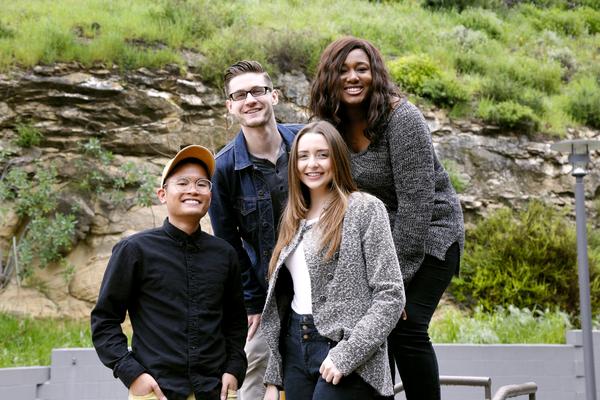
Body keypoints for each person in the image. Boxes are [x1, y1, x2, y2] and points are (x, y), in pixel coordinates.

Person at [309, 36, 465, 400]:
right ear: (329, 77)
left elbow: (416, 205)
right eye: (343, 70)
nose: (353, 77)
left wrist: (391, 285)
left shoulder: (402, 118)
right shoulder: (329, 127)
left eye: (361, 69)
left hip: (430, 237)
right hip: (379, 241)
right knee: (373, 330)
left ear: (375, 74)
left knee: (404, 327)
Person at [261, 120, 405, 400]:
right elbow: (283, 304)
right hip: (295, 346)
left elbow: (390, 295)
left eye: (322, 154)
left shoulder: (365, 209)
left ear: (337, 158)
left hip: (346, 346)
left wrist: (347, 354)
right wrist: (274, 377)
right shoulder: (292, 218)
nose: (311, 164)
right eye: (303, 156)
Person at [91, 145, 248, 400]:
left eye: (202, 183)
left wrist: (234, 369)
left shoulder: (225, 254)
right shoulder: (134, 250)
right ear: (162, 194)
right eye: (183, 182)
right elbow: (104, 320)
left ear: (210, 194)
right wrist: (132, 373)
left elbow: (235, 322)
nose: (193, 190)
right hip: (156, 391)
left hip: (215, 389)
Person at [208, 60, 303, 400]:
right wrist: (250, 302)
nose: (250, 99)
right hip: (268, 292)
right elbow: (228, 243)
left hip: (321, 284)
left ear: (273, 96)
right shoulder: (224, 169)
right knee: (255, 379)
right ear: (230, 107)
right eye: (240, 95)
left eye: (258, 91)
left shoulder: (306, 143)